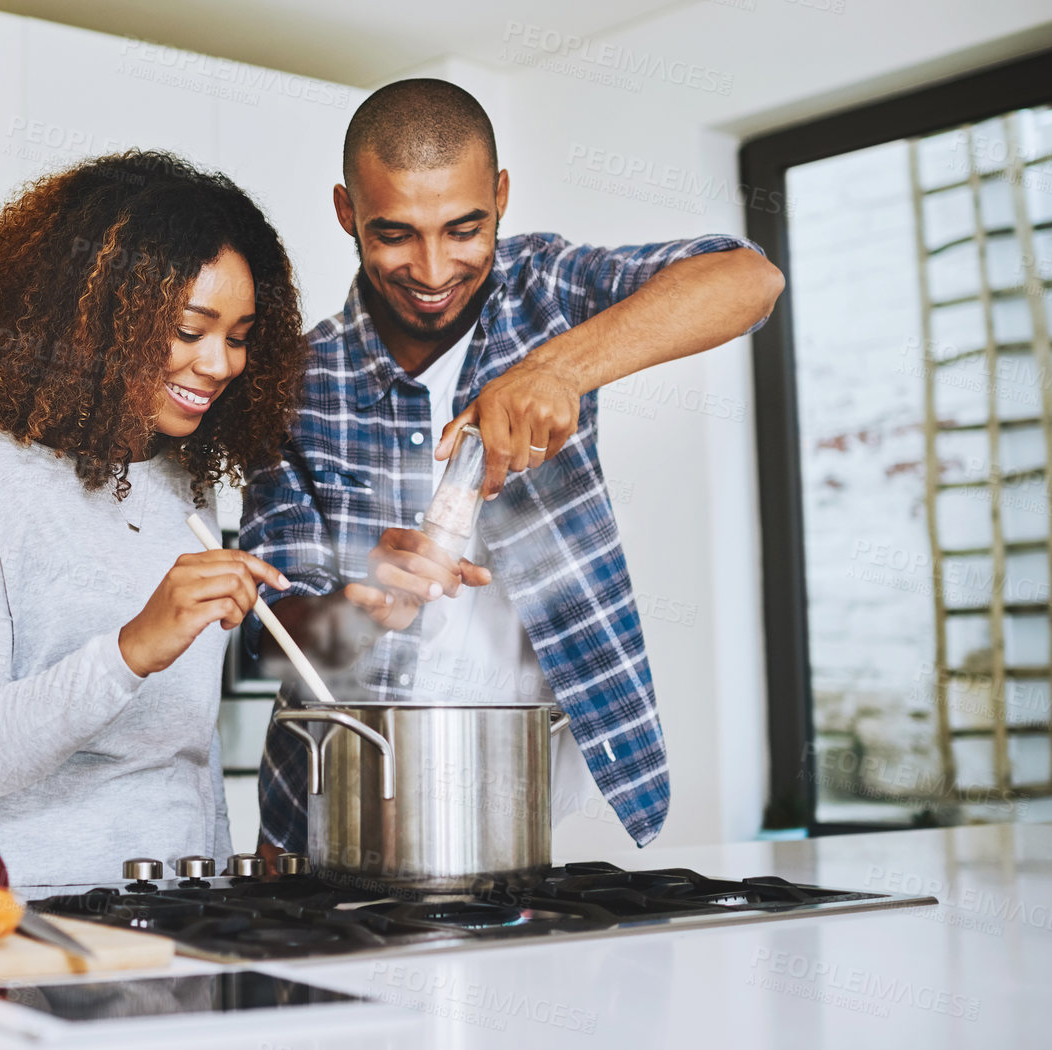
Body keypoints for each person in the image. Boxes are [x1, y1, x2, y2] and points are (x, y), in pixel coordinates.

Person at [243, 80, 785, 863]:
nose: (433, 270)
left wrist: (559, 369)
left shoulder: (547, 291)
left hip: (519, 788)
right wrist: (361, 609)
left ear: (501, 196)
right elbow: (271, 647)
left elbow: (748, 281)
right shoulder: (296, 383)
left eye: (465, 229)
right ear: (345, 212)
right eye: (394, 234)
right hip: (337, 807)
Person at [0, 151, 309, 887]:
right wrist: (134, 647)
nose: (218, 364)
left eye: (239, 337)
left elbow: (185, 756)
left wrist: (220, 903)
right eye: (189, 329)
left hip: (170, 923)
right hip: (8, 921)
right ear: (100, 320)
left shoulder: (182, 482)